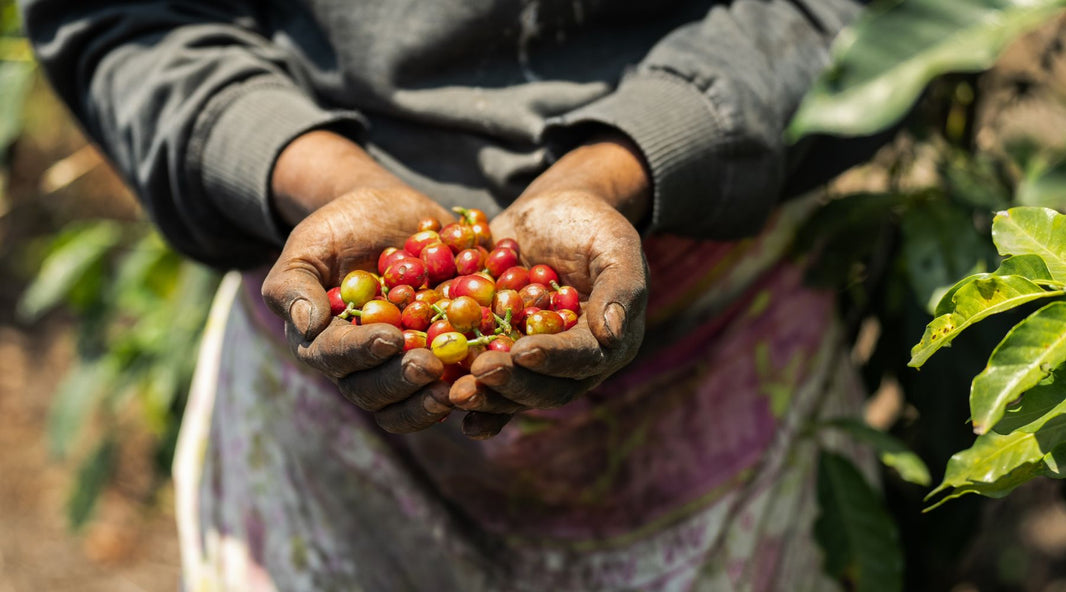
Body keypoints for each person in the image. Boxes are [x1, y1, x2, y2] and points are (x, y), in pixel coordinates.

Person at [21, 0, 874, 589]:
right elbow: (124, 18)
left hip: (712, 373)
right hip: (322, 436)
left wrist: (629, 162)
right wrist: (316, 175)